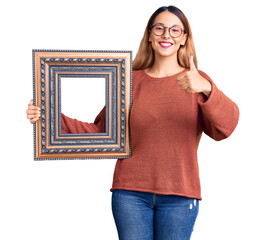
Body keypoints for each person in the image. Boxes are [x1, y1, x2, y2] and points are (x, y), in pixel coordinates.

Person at [26, 5, 240, 240]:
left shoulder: (197, 81)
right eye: (159, 28)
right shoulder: (129, 80)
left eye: (175, 30)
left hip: (180, 194)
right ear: (149, 35)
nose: (166, 35)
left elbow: (225, 128)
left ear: (184, 38)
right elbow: (100, 132)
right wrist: (49, 116)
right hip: (130, 195)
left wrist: (208, 89)